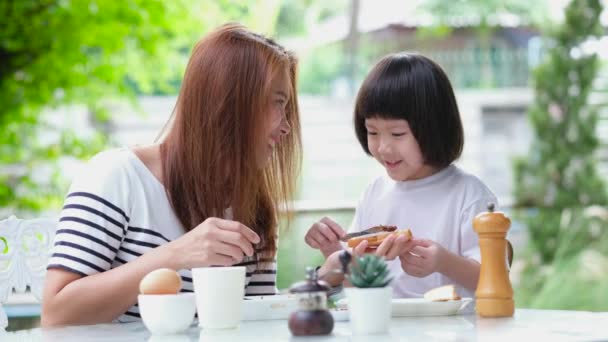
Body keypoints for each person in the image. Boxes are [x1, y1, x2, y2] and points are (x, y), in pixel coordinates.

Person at [41, 23, 301, 326]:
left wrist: (325, 279)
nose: (285, 127)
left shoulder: (255, 208)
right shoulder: (118, 176)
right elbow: (57, 314)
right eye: (278, 103)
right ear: (230, 101)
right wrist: (176, 254)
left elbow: (259, 320)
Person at [306, 53, 497, 299]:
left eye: (397, 134)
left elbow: (494, 277)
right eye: (372, 132)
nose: (383, 147)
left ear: (434, 128)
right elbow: (357, 283)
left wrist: (444, 262)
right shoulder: (375, 192)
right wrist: (335, 251)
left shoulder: (468, 194)